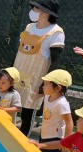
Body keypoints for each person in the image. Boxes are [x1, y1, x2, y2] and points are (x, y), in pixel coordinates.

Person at [13, 0, 65, 137]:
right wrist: (9, 71)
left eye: (36, 7)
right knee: (10, 105)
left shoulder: (56, 32)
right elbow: (19, 50)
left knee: (27, 113)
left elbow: (54, 61)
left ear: (46, 12)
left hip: (35, 79)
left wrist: (46, 84)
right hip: (17, 73)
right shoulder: (29, 27)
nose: (33, 10)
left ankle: (22, 142)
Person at [38, 69, 73, 152]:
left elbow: (69, 123)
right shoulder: (47, 97)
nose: (43, 87)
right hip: (44, 134)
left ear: (57, 88)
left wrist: (66, 142)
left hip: (55, 138)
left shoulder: (61, 104)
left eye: (46, 84)